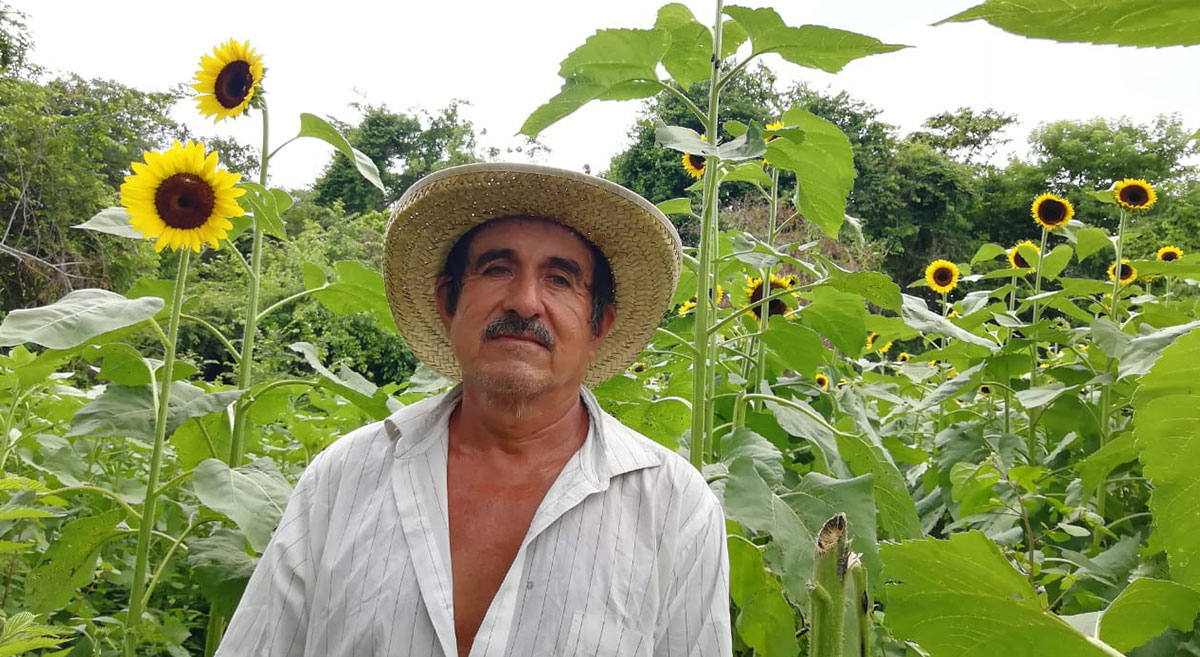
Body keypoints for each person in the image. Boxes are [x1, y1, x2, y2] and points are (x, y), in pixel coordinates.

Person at [215, 163, 731, 657]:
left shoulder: (674, 507)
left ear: (600, 325)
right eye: (497, 268)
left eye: (559, 279)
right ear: (447, 302)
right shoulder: (342, 479)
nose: (525, 302)